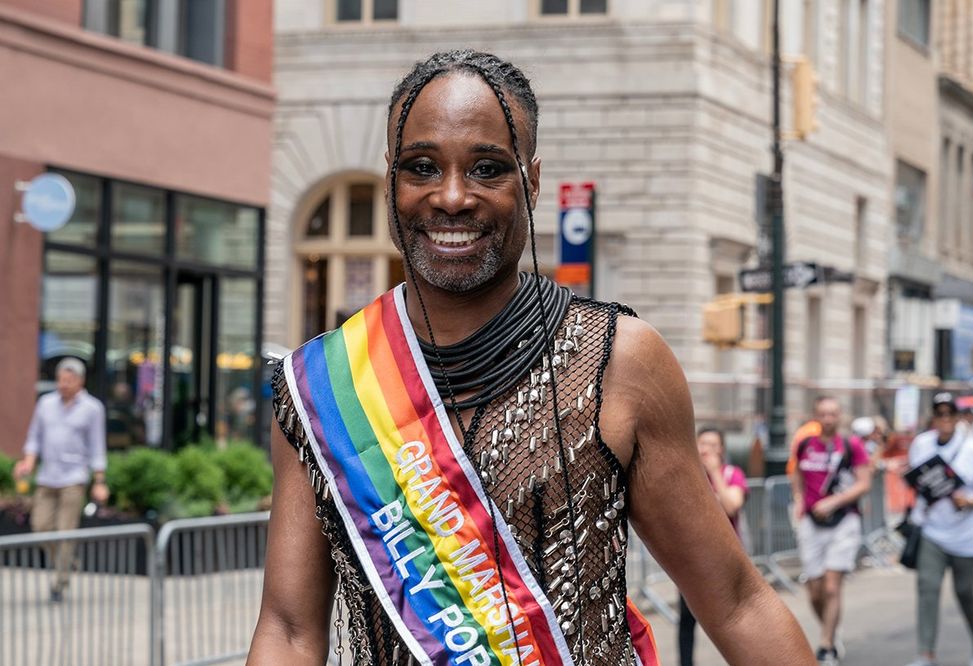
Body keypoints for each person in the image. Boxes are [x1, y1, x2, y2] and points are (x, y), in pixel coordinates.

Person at [247, 50, 812, 665]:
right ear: (390, 177)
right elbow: (289, 627)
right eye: (421, 168)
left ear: (532, 181)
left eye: (487, 168)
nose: (452, 197)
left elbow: (734, 601)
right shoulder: (321, 388)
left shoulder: (618, 361)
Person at [13, 357, 109, 602]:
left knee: (66, 531)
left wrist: (99, 480)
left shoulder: (92, 408)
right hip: (47, 475)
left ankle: (60, 582)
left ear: (80, 381)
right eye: (60, 380)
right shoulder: (45, 404)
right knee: (41, 527)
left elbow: (97, 446)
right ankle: (66, 561)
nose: (63, 384)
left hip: (74, 478)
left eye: (69, 380)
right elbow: (34, 438)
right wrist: (28, 463)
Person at [792, 395, 872, 665]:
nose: (828, 419)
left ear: (840, 417)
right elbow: (796, 475)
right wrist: (799, 501)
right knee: (814, 589)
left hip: (843, 521)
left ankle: (825, 645)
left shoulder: (852, 446)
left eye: (833, 414)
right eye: (823, 414)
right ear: (815, 417)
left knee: (831, 585)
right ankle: (832, 629)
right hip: (812, 523)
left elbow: (864, 483)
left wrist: (834, 502)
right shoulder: (804, 444)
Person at [903, 393, 973, 666]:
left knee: (965, 592)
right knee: (927, 588)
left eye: (949, 414)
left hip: (966, 536)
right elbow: (915, 480)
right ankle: (926, 653)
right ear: (933, 418)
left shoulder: (972, 449)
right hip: (932, 531)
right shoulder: (921, 444)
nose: (944, 419)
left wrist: (969, 501)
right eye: (939, 414)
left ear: (957, 418)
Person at [677, 427, 748, 666]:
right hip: (692, 559)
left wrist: (715, 472)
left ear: (722, 450)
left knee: (732, 622)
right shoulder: (687, 476)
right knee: (687, 619)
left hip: (724, 560)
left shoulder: (732, 474)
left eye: (712, 445)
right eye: (702, 444)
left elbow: (731, 506)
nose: (706, 450)